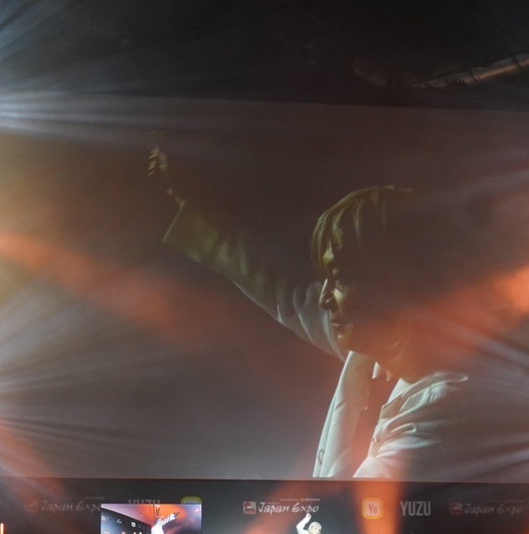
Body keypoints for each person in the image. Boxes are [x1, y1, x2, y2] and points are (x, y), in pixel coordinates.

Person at [156, 155, 493, 480]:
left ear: (395, 283)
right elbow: (286, 294)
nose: (324, 297)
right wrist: (183, 207)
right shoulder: (375, 348)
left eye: (341, 278)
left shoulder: (444, 406)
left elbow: (355, 511)